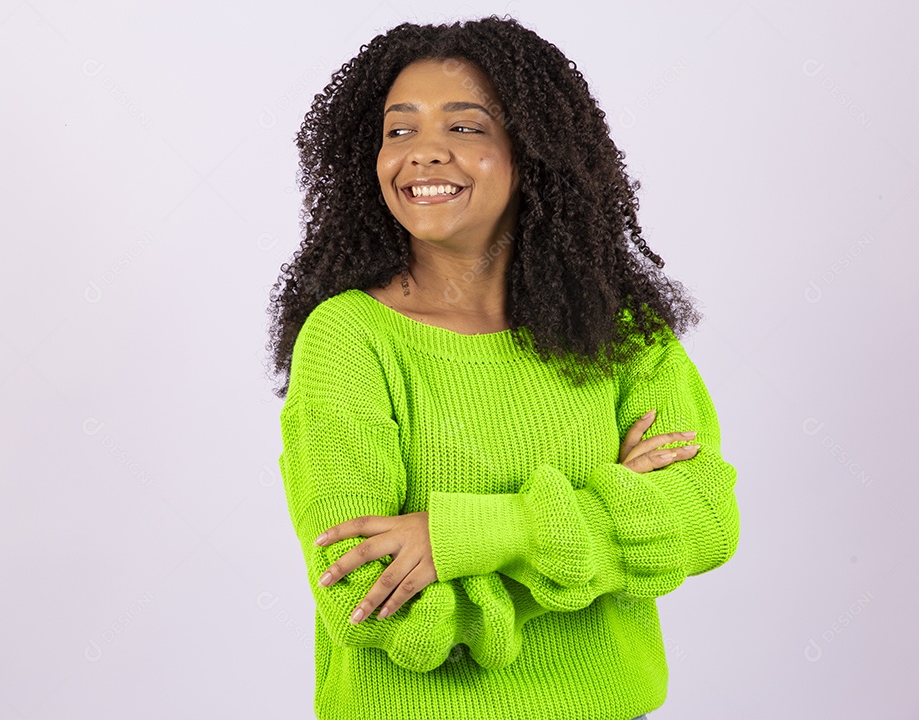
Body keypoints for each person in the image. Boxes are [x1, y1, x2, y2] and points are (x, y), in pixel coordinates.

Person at [267, 15, 740, 720]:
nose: (422, 154)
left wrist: (460, 539)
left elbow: (705, 518)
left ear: (533, 150)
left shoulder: (619, 333)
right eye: (399, 131)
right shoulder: (348, 339)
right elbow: (371, 608)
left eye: (464, 128)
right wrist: (607, 519)